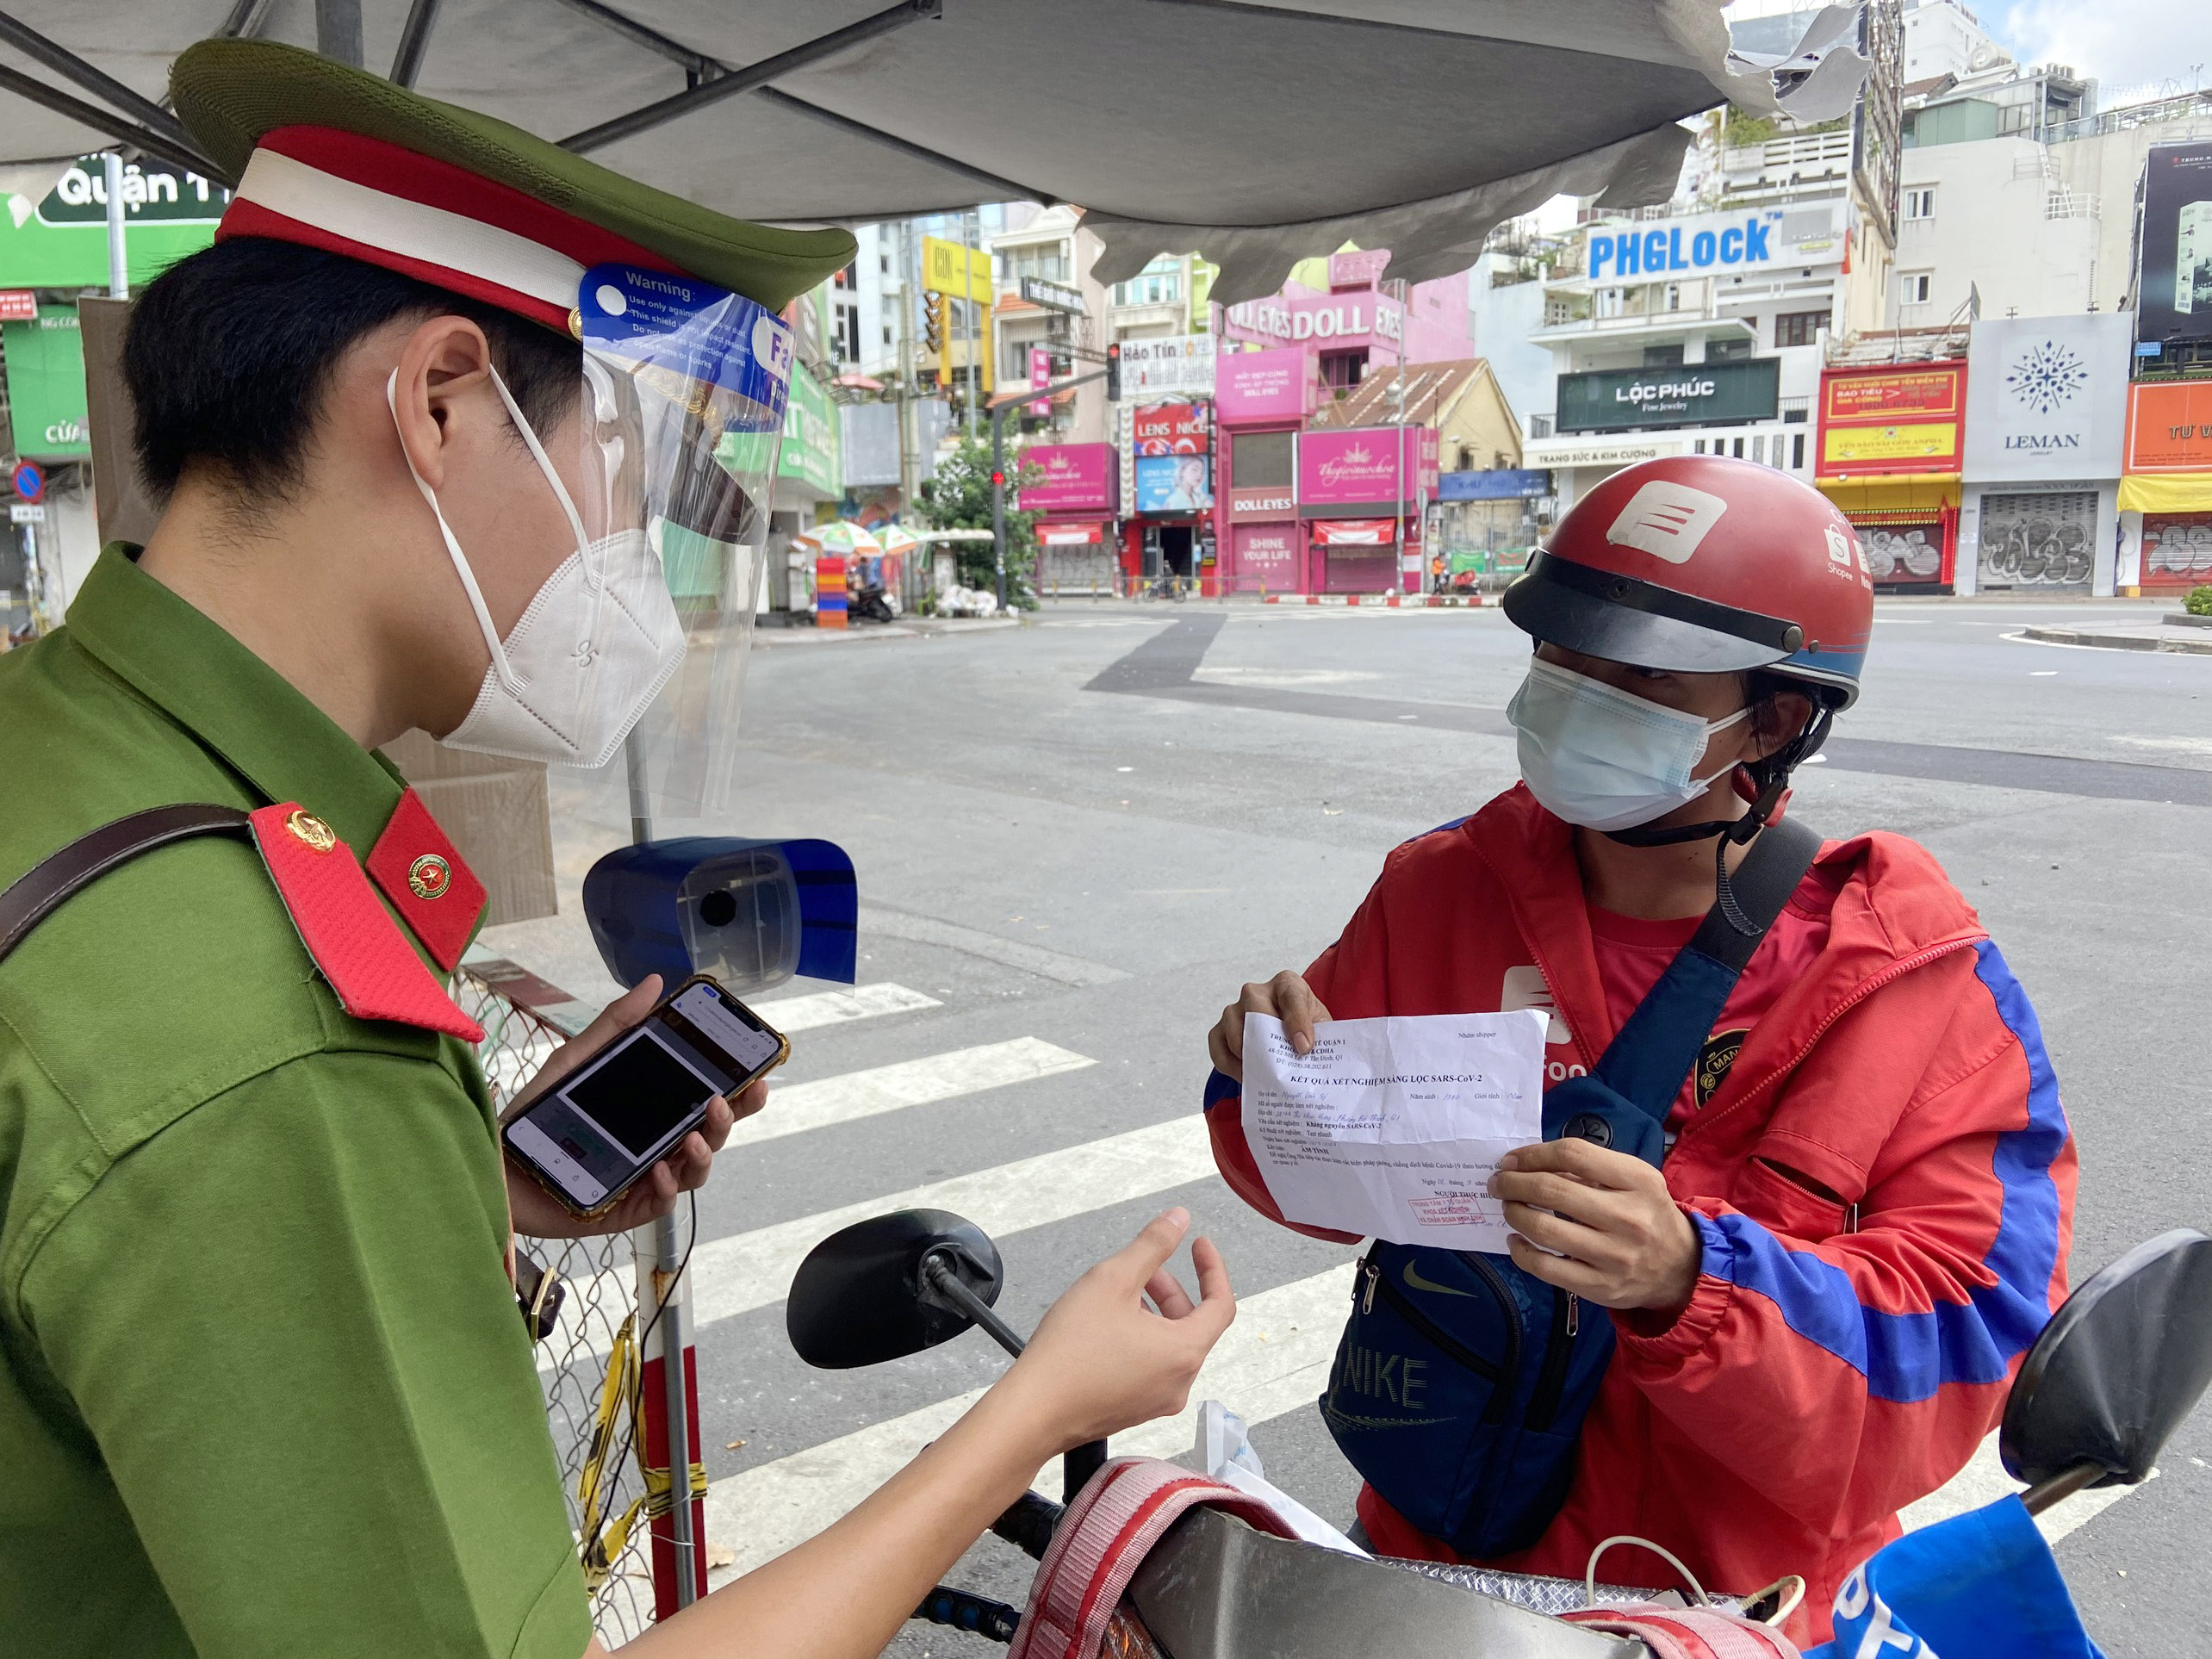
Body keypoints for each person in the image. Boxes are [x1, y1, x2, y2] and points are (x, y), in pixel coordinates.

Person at [0, 39, 1233, 1659]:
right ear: (441, 404)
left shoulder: (63, 743)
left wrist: (464, 1190)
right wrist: (1027, 1418)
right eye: (614, 455)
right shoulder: (270, 1037)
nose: (622, 531)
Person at [1202, 456, 2077, 1643]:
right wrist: (1263, 1085)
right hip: (1439, 1594)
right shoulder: (1440, 893)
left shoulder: (1915, 980)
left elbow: (1960, 1349)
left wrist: (1691, 1277)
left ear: (1772, 717)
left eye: (1633, 672)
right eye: (1560, 652)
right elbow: (1304, 1186)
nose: (1569, 692)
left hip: (1732, 1620)